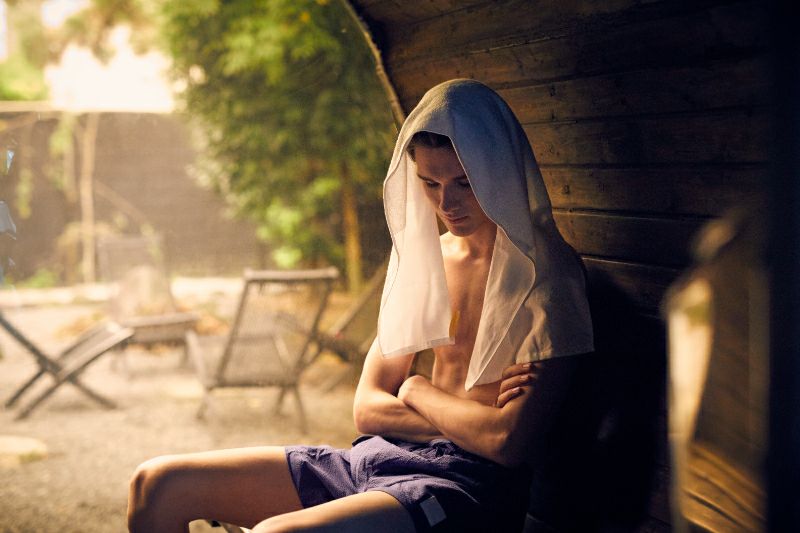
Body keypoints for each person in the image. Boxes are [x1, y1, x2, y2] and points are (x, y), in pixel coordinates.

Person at [127, 79, 593, 533]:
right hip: (376, 458)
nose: (446, 203)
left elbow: (505, 442)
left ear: (499, 171)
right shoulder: (429, 260)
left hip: (461, 486)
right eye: (430, 183)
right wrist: (465, 419)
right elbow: (368, 408)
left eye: (464, 183)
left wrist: (415, 389)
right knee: (158, 485)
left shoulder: (547, 274)